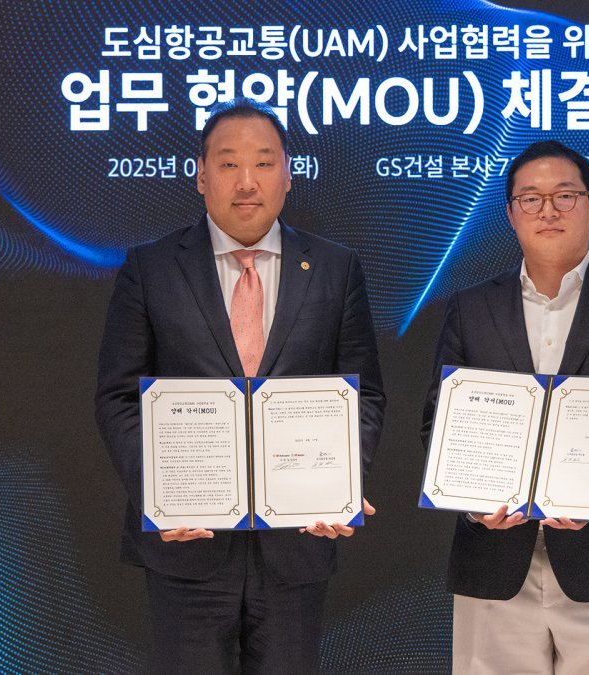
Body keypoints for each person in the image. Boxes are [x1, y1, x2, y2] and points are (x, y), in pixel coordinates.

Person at [95, 98, 385, 674]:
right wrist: (157, 493)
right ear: (201, 176)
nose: (247, 181)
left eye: (264, 163)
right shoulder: (151, 268)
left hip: (297, 541)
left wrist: (341, 485)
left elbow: (364, 397)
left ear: (288, 175)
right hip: (187, 544)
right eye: (228, 164)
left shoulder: (335, 268)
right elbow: (119, 397)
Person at [421, 140, 589, 674]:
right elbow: (440, 423)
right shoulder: (470, 309)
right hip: (493, 561)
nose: (548, 210)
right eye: (531, 198)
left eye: (565, 195)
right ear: (510, 213)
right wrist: (473, 502)